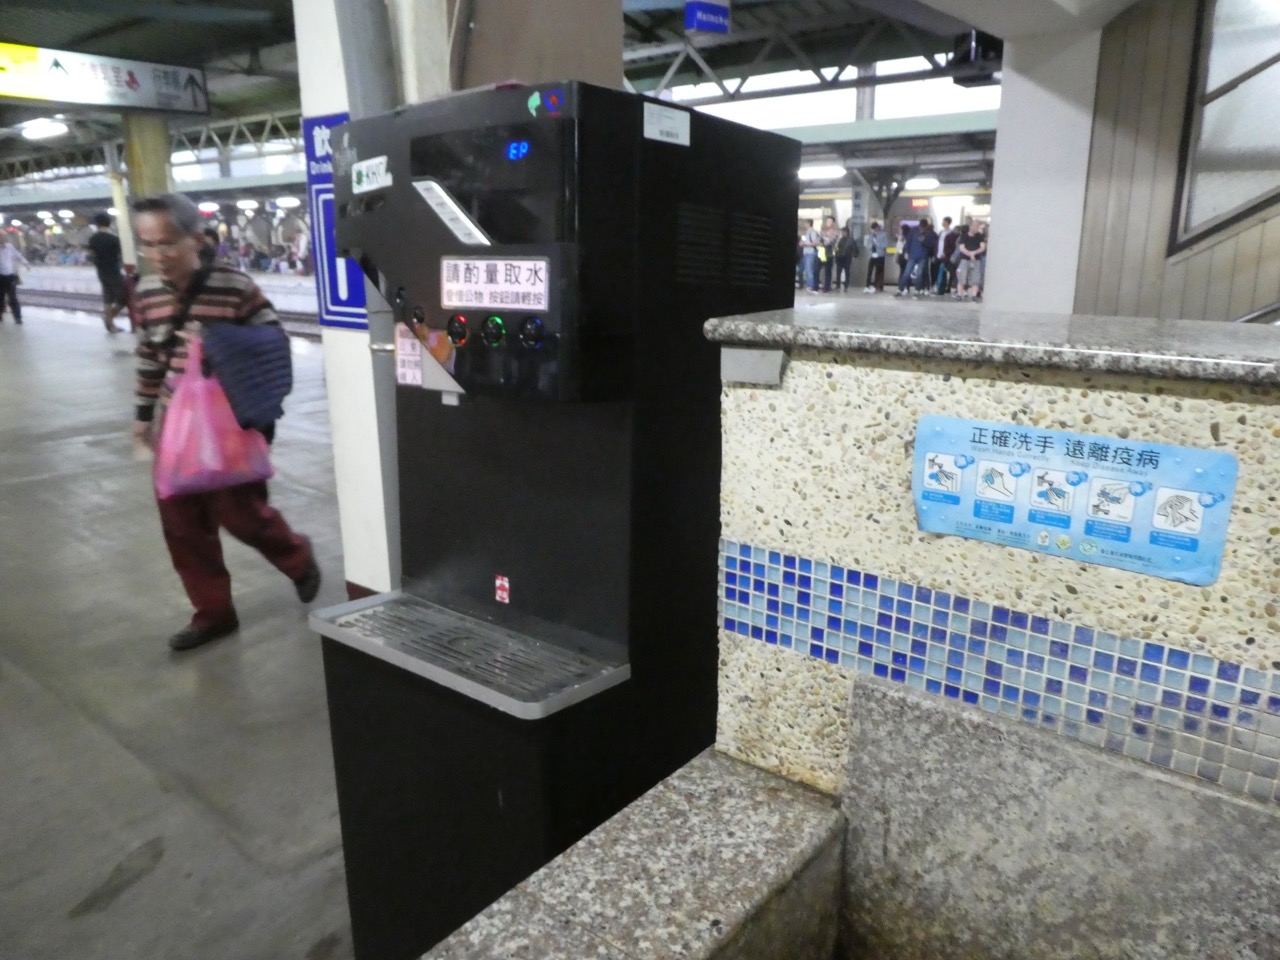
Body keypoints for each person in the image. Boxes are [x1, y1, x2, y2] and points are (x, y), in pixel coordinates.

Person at [130, 193, 321, 652]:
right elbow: (150, 356)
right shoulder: (148, 291)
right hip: (176, 424)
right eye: (147, 244)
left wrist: (220, 341)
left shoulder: (234, 286)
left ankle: (296, 556)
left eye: (167, 243)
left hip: (229, 422)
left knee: (241, 514)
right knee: (182, 524)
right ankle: (213, 614)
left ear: (195, 239)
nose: (158, 255)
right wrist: (142, 418)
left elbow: (273, 339)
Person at [87, 212, 128, 334]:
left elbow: (90, 256)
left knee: (108, 299)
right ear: (109, 223)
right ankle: (108, 319)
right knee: (124, 298)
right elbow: (121, 256)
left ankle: (110, 324)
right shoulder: (113, 239)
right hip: (114, 271)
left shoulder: (93, 239)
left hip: (101, 272)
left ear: (97, 224)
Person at [895, 217, 935, 298]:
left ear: (926, 226)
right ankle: (900, 289)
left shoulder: (929, 233)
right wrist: (906, 252)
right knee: (907, 273)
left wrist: (924, 241)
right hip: (912, 255)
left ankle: (917, 290)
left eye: (923, 227)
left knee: (919, 274)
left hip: (923, 256)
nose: (921, 229)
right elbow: (908, 241)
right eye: (920, 227)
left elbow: (932, 245)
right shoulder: (913, 231)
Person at [954, 219, 987, 301]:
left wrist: (974, 253)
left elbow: (982, 247)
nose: (976, 228)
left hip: (976, 260)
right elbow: (962, 248)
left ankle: (974, 295)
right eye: (975, 226)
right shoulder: (964, 236)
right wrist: (970, 254)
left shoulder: (980, 236)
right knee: (961, 277)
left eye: (978, 226)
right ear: (970, 227)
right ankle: (959, 294)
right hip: (964, 259)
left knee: (976, 278)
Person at [0, 232, 28, 324]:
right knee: (1, 297)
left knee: (13, 297)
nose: (2, 239)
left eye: (3, 237)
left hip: (10, 276)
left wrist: (25, 263)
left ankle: (18, 317)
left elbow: (18, 255)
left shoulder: (9, 247)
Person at [933, 216, 958, 296]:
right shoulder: (941, 232)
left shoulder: (951, 234)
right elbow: (937, 244)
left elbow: (952, 246)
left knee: (943, 272)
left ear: (947, 222)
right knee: (939, 271)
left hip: (946, 256)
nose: (942, 223)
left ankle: (941, 289)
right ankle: (940, 288)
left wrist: (946, 253)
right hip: (939, 255)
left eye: (944, 221)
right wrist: (936, 254)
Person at [863, 221, 887, 292]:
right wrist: (869, 246)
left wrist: (878, 245)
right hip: (872, 255)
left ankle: (877, 286)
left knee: (879, 271)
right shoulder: (871, 236)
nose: (873, 231)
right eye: (872, 229)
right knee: (870, 270)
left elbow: (885, 245)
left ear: (877, 228)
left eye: (874, 229)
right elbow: (868, 245)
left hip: (880, 255)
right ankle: (867, 285)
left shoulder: (883, 235)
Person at [818, 215, 840, 293]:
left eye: (829, 221)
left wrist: (824, 240)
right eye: (827, 221)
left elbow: (830, 242)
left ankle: (827, 287)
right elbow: (819, 240)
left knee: (828, 271)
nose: (827, 223)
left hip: (829, 253)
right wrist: (824, 240)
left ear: (833, 223)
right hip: (821, 253)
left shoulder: (836, 232)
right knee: (817, 269)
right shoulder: (823, 231)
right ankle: (817, 285)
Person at [799, 219, 821, 293]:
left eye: (805, 223)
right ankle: (806, 284)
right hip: (805, 253)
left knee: (809, 270)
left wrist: (805, 244)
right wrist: (802, 242)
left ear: (809, 223)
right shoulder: (806, 232)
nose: (804, 224)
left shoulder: (812, 232)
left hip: (810, 253)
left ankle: (810, 286)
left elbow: (815, 243)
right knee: (801, 270)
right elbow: (803, 241)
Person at [832, 227, 855, 292]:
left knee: (847, 272)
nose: (842, 233)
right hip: (840, 257)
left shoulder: (851, 240)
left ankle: (846, 285)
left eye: (843, 232)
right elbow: (837, 248)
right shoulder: (841, 239)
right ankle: (838, 285)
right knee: (838, 272)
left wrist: (853, 256)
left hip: (847, 257)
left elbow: (854, 248)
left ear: (846, 232)